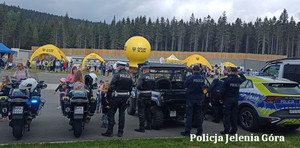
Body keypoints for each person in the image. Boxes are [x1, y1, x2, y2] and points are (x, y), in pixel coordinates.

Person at [102, 63, 133, 137]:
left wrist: (108, 98)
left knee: (111, 113)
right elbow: (131, 87)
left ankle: (110, 132)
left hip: (116, 96)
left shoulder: (117, 75)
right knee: (122, 114)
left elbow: (111, 87)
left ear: (119, 67)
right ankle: (120, 132)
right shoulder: (129, 76)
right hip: (125, 97)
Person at [220, 67, 246, 135]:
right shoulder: (238, 79)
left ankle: (226, 130)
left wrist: (221, 99)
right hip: (235, 99)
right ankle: (234, 130)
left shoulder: (227, 80)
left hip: (228, 99)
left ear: (231, 72)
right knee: (234, 115)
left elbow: (223, 91)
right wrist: (240, 73)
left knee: (226, 116)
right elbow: (244, 79)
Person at [181, 65, 205, 136]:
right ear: (199, 70)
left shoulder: (190, 77)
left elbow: (185, 85)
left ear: (193, 70)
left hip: (191, 98)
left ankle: (187, 131)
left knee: (189, 115)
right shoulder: (202, 78)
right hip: (199, 98)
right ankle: (199, 131)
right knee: (199, 116)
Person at [135, 67, 155, 133]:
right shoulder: (152, 77)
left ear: (144, 70)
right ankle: (149, 126)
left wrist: (141, 89)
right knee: (148, 111)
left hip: (142, 95)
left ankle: (142, 128)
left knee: (141, 112)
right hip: (149, 95)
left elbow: (138, 86)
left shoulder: (142, 77)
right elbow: (154, 86)